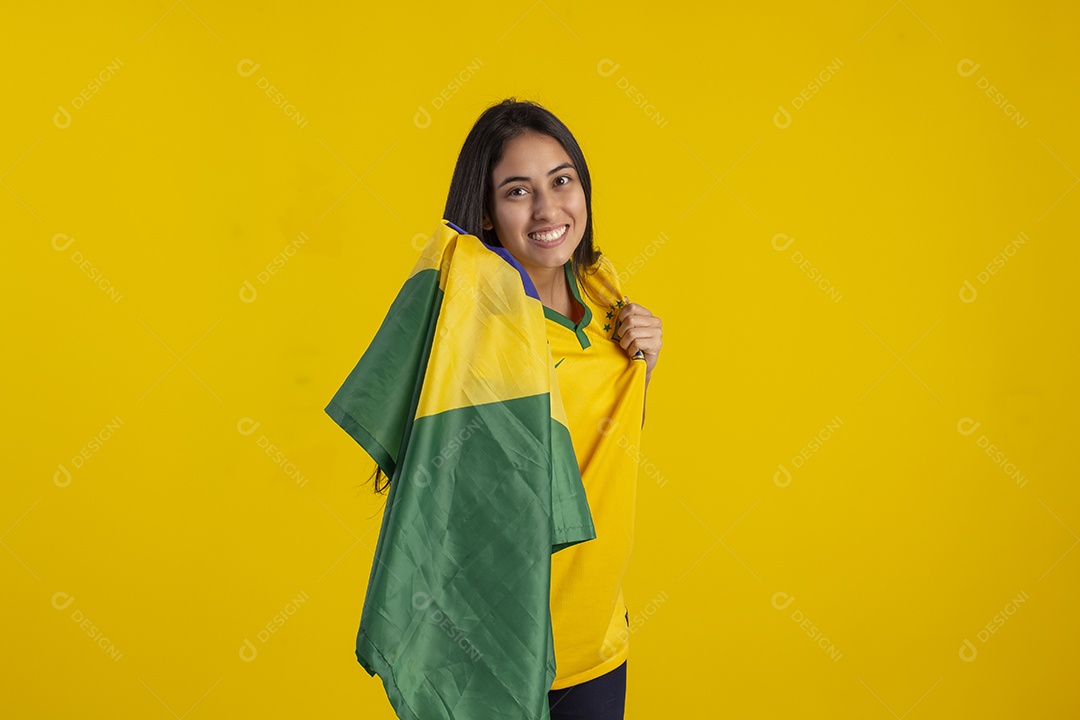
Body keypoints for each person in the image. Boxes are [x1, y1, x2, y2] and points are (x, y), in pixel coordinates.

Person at [369, 97, 663, 719]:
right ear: (486, 211)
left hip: (598, 636)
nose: (548, 208)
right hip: (499, 643)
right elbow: (458, 492)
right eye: (517, 191)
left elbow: (603, 449)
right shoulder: (482, 325)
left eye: (561, 181)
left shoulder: (603, 289)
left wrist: (644, 368)